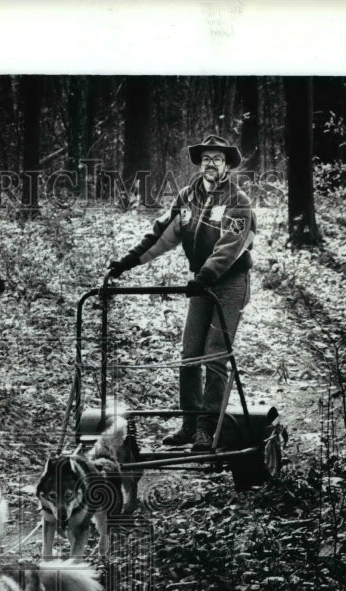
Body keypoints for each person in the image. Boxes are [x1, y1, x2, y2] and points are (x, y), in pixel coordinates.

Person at [107, 134, 256, 451]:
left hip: (229, 283)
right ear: (200, 163)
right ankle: (189, 425)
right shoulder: (188, 197)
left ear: (227, 164)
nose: (211, 163)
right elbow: (162, 234)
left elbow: (231, 245)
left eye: (217, 158)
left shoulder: (238, 201)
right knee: (190, 354)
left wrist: (206, 275)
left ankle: (207, 428)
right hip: (200, 282)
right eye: (206, 158)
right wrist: (127, 262)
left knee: (215, 355)